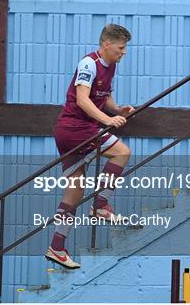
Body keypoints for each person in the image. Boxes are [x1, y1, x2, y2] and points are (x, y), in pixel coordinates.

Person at [45, 24, 134, 269]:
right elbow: (83, 99)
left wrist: (117, 110)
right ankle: (101, 205)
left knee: (74, 192)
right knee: (122, 152)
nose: (124, 52)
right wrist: (108, 120)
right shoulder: (88, 63)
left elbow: (103, 95)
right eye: (121, 47)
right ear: (106, 44)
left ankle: (57, 247)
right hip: (76, 128)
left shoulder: (111, 65)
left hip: (73, 130)